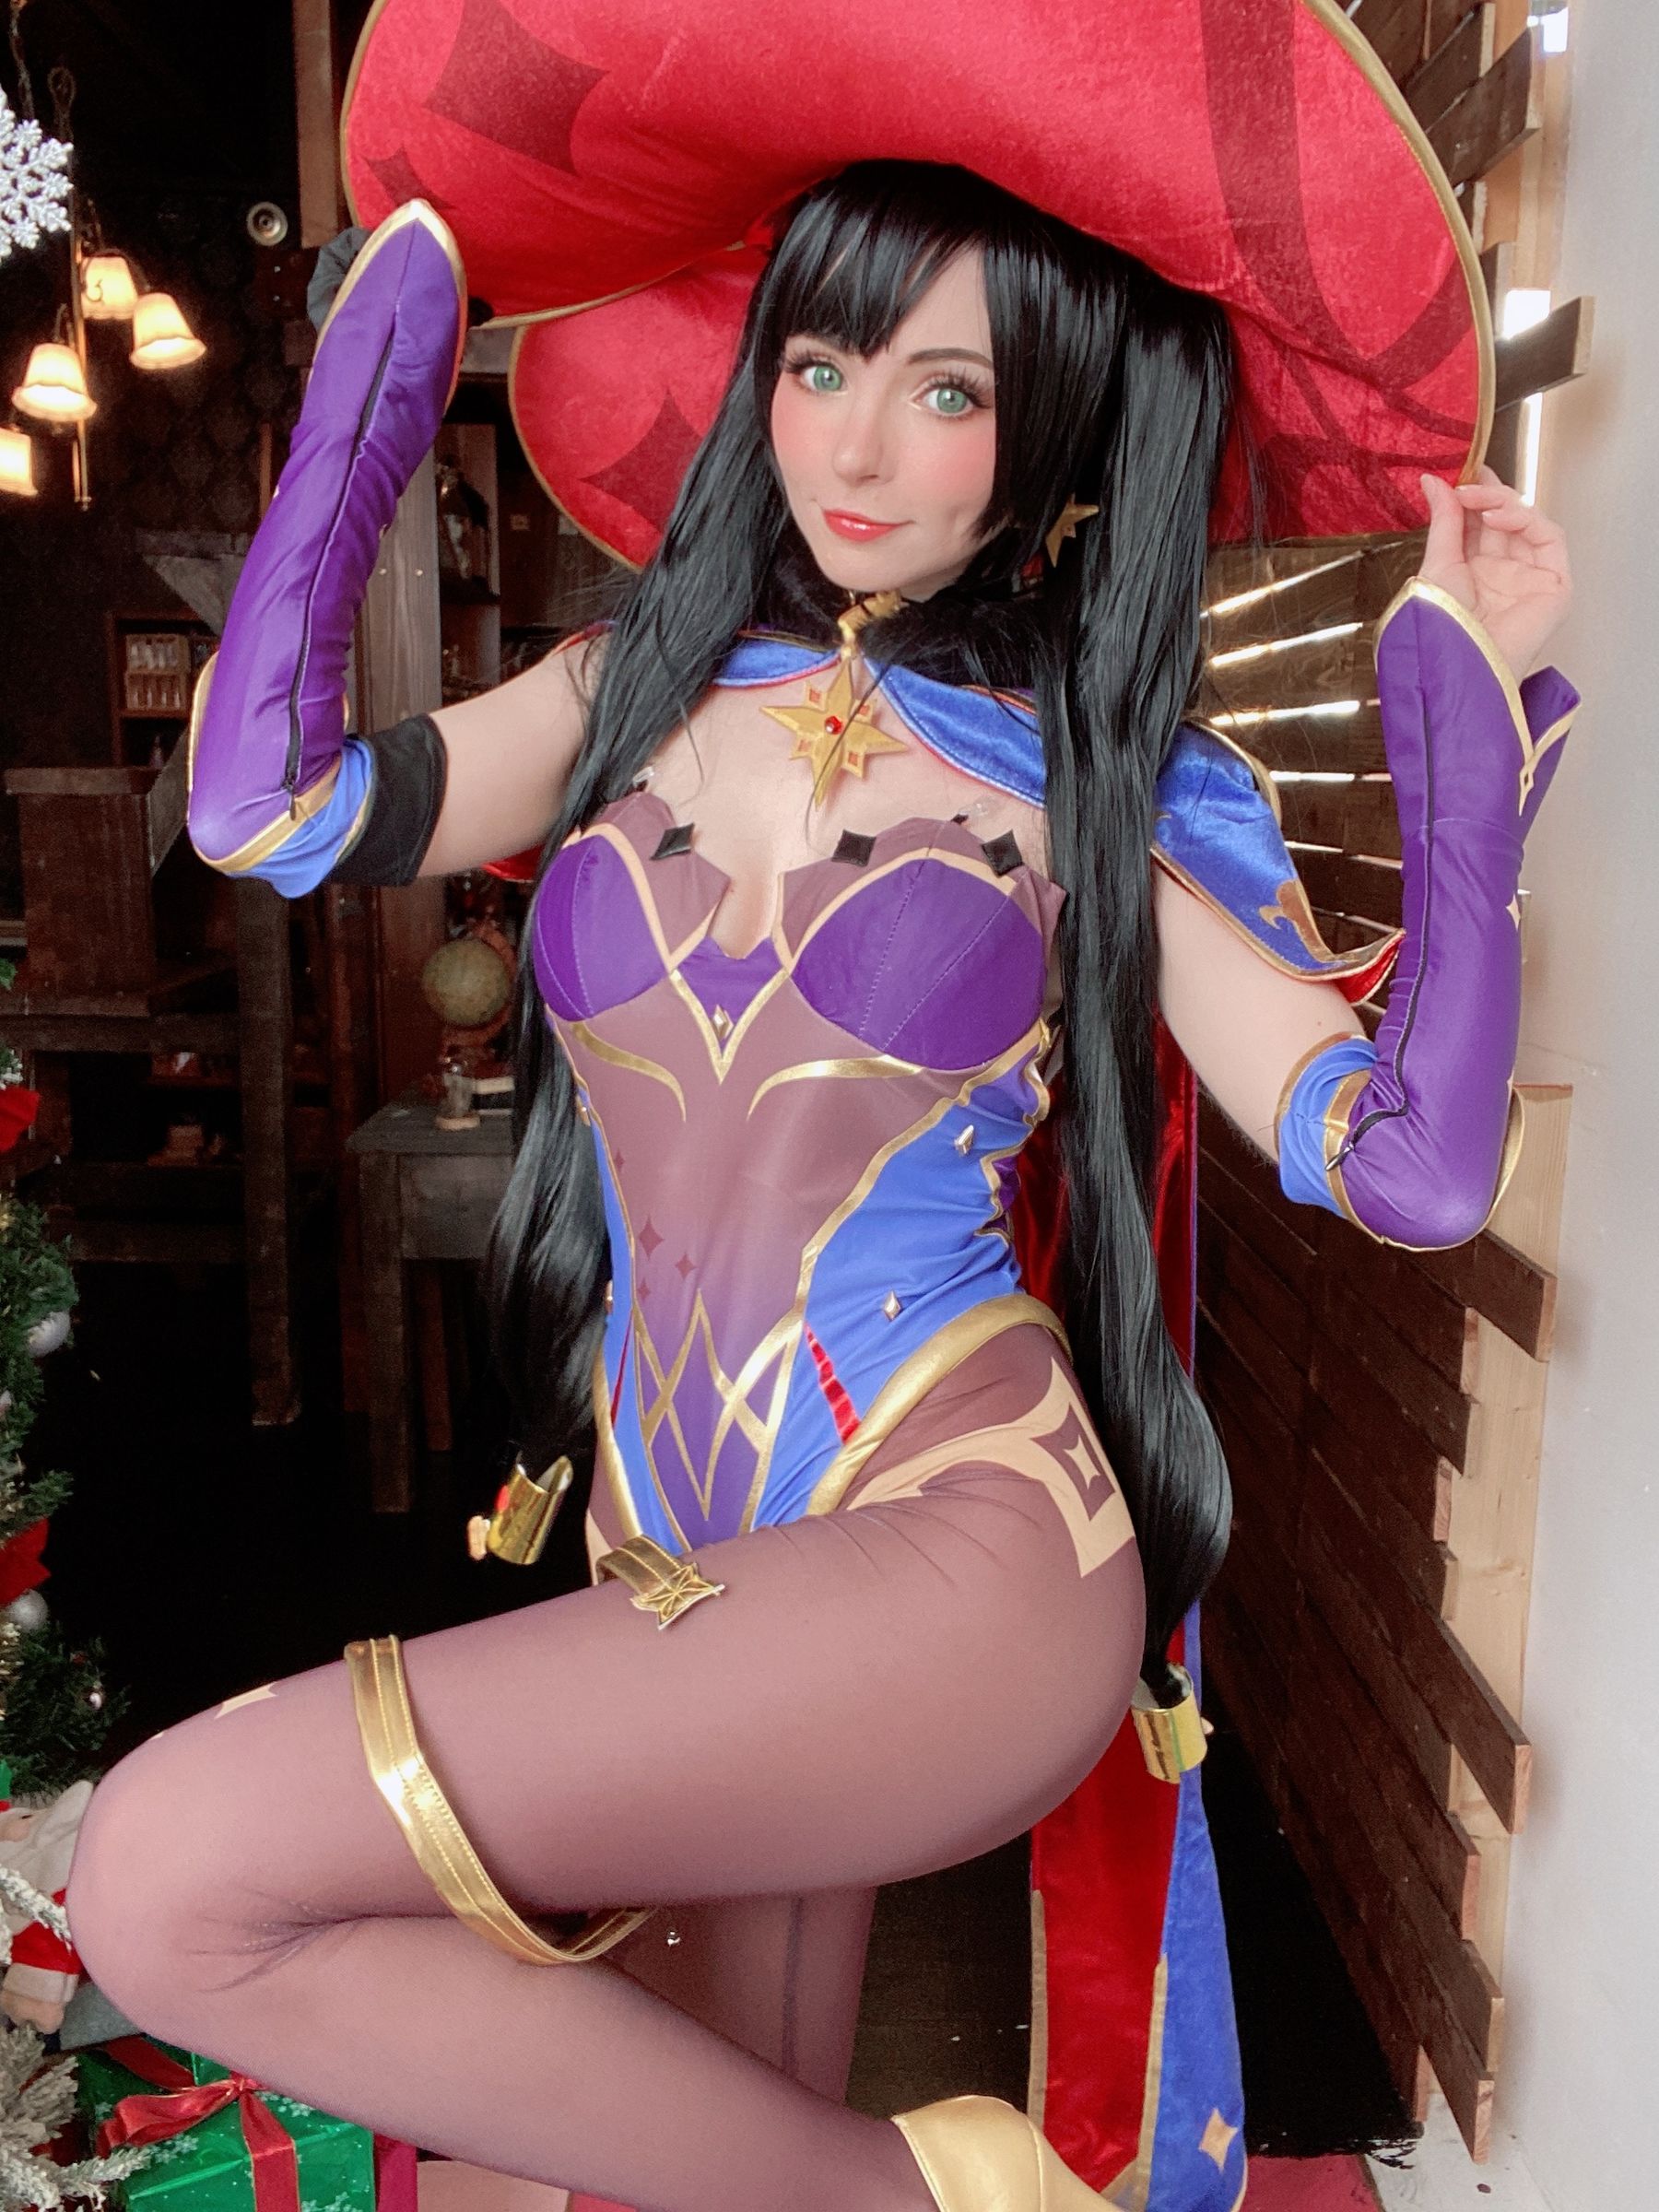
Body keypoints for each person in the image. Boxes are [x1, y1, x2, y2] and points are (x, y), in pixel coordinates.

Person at [65, 6, 1578, 2209]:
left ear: (1054, 432)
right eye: (823, 362)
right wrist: (375, 388)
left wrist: (1458, 721)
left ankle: (931, 2194)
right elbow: (266, 810)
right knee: (680, 2146)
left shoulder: (1098, 785)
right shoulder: (615, 693)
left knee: (167, 1867)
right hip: (671, 1526)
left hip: (965, 1547)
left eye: (950, 390)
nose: (860, 442)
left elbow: (1413, 1167)